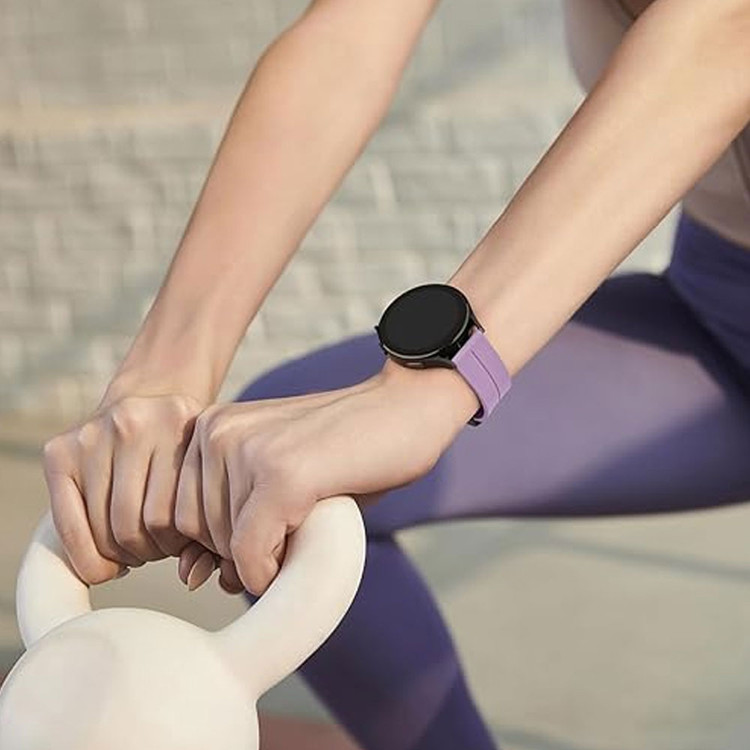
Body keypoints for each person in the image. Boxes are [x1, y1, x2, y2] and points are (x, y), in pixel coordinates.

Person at [41, 0, 750, 747]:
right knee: (277, 479)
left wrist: (435, 382)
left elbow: (724, 28)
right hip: (714, 313)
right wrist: (164, 375)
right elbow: (351, 33)